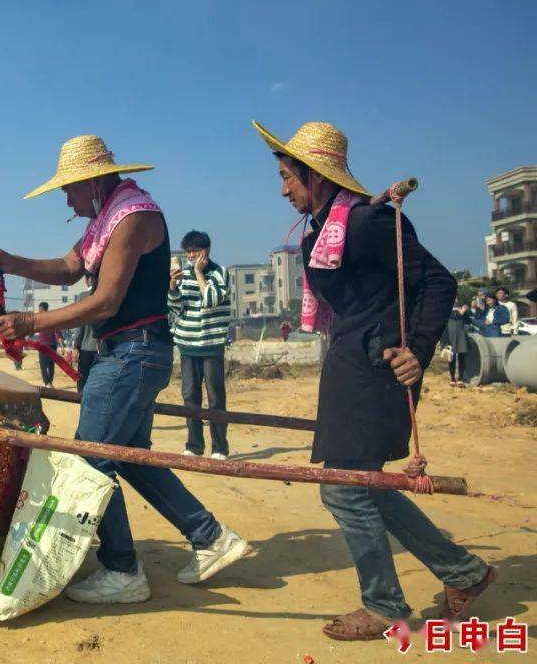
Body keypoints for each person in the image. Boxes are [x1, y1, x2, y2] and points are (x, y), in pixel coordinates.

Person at [0, 134, 249, 604]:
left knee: (88, 458)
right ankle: (211, 537)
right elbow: (67, 268)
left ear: (94, 181)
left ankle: (123, 570)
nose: (66, 198)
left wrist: (30, 322)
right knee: (127, 455)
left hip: (132, 353)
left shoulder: (133, 215)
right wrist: (10, 262)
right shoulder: (108, 216)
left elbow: (106, 301)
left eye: (69, 188)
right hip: (131, 353)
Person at [254, 120, 493, 641]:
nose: (283, 189)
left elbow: (436, 281)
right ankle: (465, 573)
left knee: (345, 490)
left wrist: (419, 351)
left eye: (288, 177)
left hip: (379, 369)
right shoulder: (326, 227)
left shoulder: (365, 223)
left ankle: (385, 605)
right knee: (368, 488)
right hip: (350, 365)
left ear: (315, 176)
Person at [168, 231, 232, 460]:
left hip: (212, 345)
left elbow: (211, 301)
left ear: (207, 250)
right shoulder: (182, 275)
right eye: (188, 251)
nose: (191, 255)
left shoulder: (220, 273)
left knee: (215, 398)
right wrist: (173, 286)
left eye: (195, 250)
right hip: (187, 344)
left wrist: (198, 273)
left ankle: (219, 448)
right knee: (190, 397)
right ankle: (194, 445)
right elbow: (175, 309)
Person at [441, 299, 471, 387]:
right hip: (450, 336)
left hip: (461, 336)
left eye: (457, 298)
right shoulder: (447, 310)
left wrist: (464, 312)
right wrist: (461, 312)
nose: (455, 300)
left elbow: (468, 321)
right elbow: (454, 317)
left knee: (462, 357)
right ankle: (452, 379)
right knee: (451, 358)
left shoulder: (463, 310)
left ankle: (460, 379)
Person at [34, 302, 62, 386]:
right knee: (50, 365)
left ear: (42, 309)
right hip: (52, 345)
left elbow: (57, 332)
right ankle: (49, 381)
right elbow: (58, 333)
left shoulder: (39, 319)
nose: (38, 311)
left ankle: (47, 382)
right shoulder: (52, 318)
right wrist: (62, 346)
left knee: (43, 365)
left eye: (39, 309)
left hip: (44, 345)